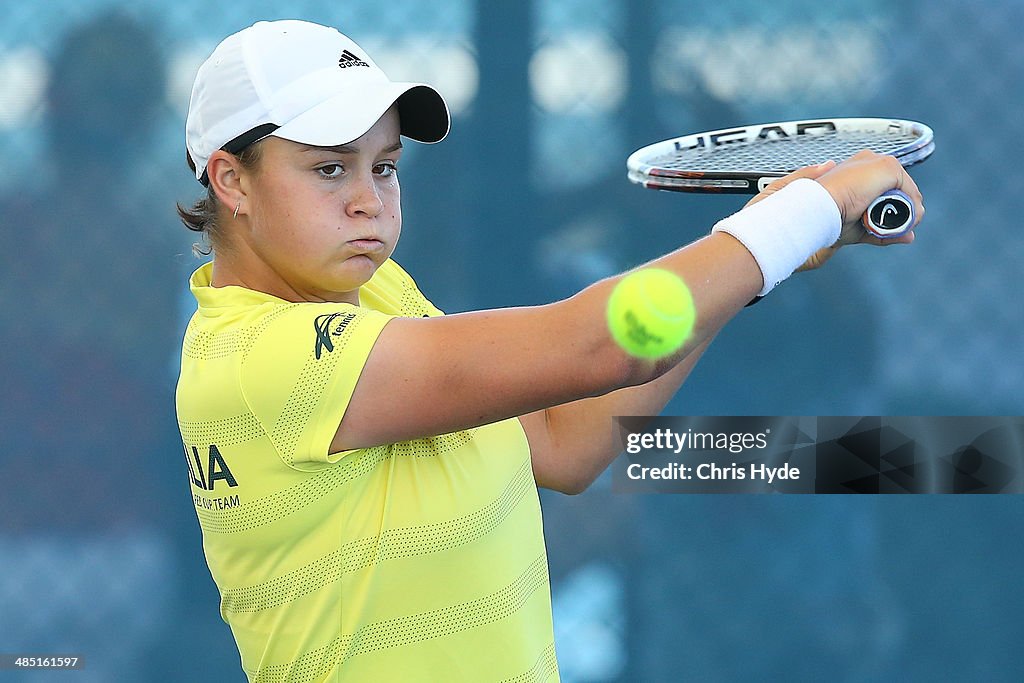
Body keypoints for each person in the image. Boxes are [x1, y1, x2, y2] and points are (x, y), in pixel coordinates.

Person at [174, 19, 923, 683]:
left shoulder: (379, 295)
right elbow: (597, 344)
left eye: (385, 165)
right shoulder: (258, 357)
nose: (370, 197)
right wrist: (803, 215)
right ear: (232, 181)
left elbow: (569, 439)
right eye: (329, 168)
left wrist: (749, 266)